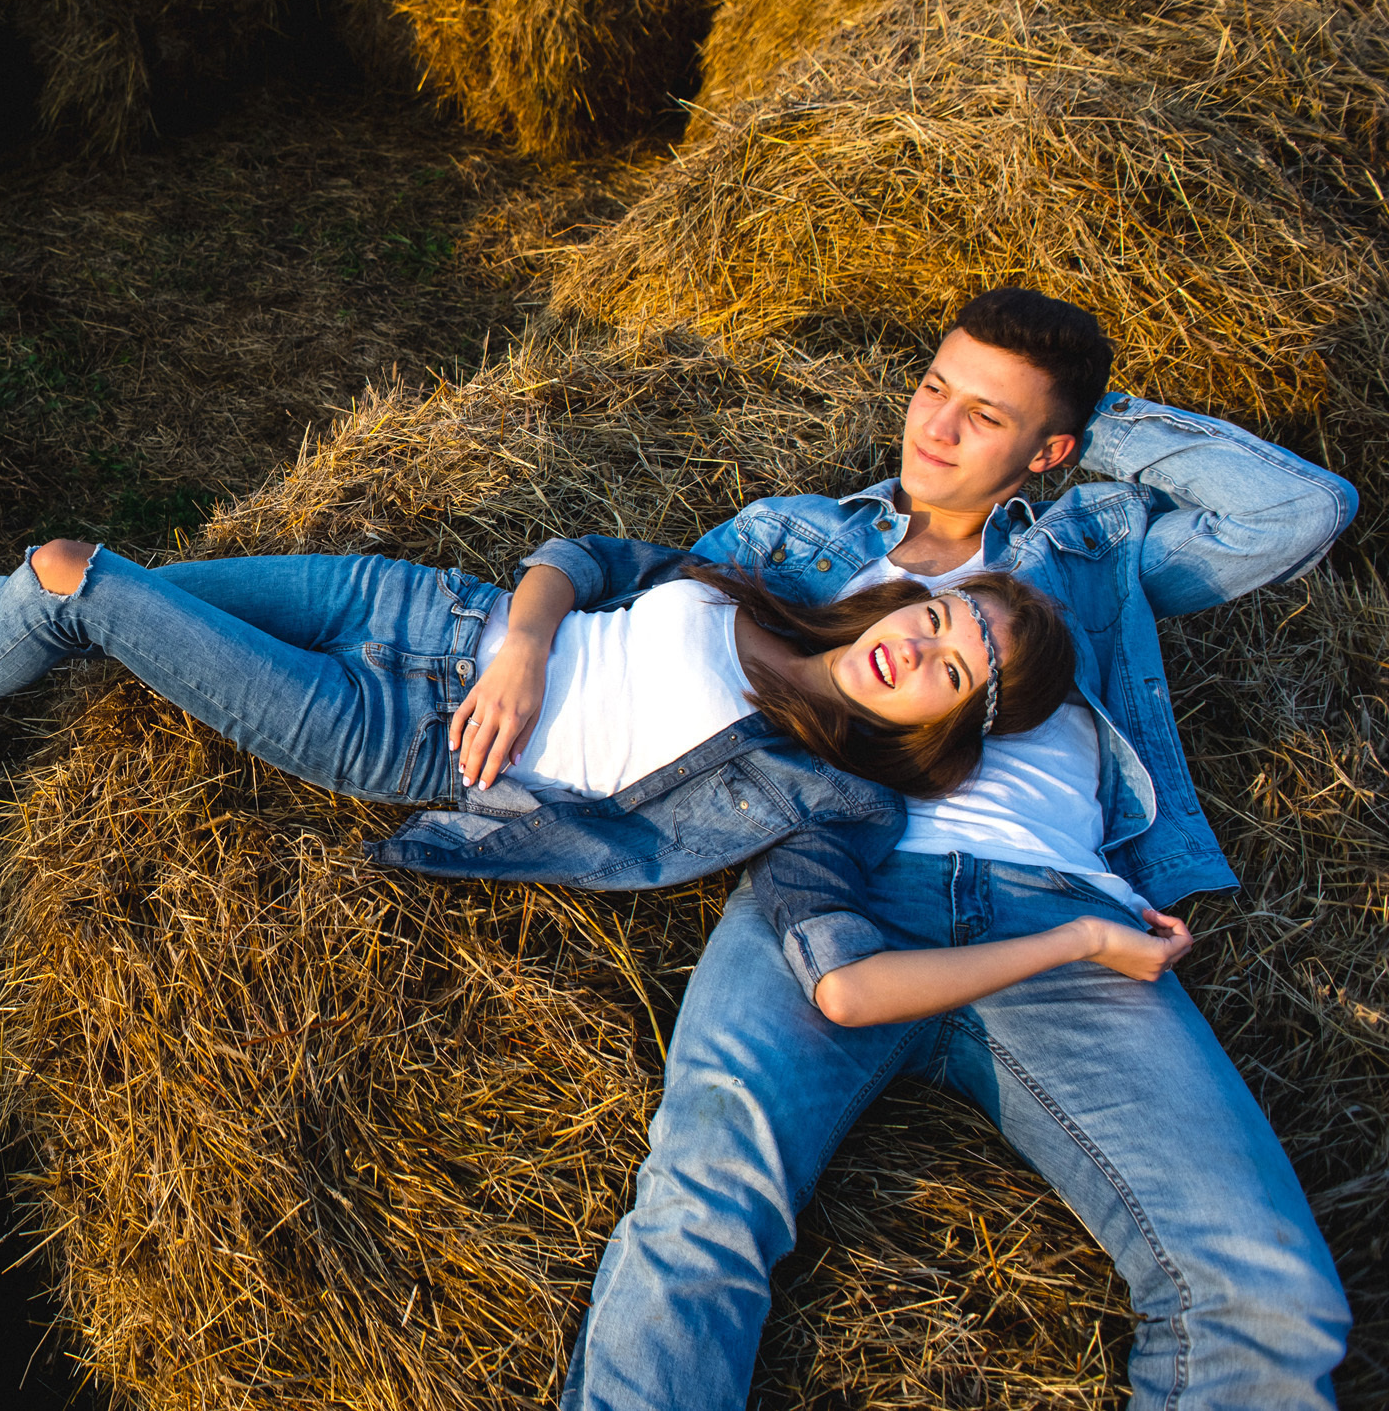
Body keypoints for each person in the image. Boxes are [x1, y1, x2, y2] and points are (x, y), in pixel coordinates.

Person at [545, 288, 1356, 1409]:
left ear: (1050, 449)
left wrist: (1094, 422)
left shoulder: (1089, 550)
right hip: (835, 888)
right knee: (702, 1211)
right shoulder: (799, 537)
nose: (936, 426)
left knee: (1267, 1297)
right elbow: (638, 625)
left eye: (987, 414)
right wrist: (521, 649)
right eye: (934, 386)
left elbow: (1302, 509)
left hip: (1065, 915)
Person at [0, 503, 1174, 1056]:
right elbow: (586, 556)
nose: (927, 645)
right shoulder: (773, 597)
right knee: (104, 580)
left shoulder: (824, 789)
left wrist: (1073, 941)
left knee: (74, 575)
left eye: (960, 668)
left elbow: (844, 982)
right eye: (948, 617)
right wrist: (526, 641)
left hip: (385, 727)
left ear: (951, 723)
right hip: (417, 608)